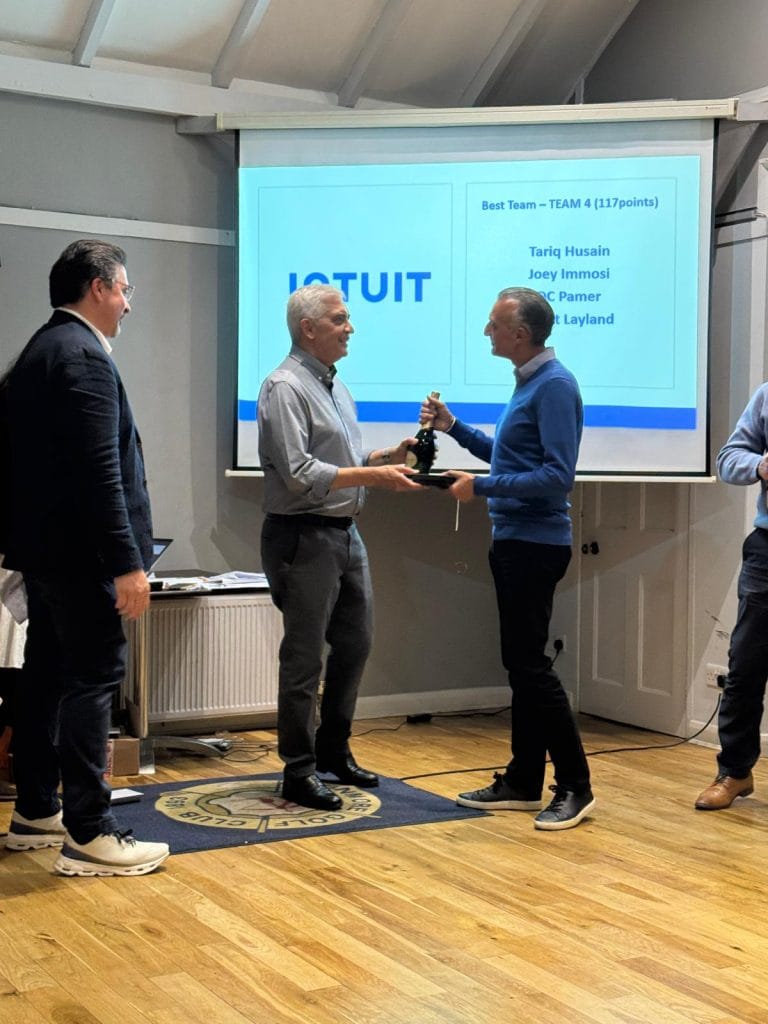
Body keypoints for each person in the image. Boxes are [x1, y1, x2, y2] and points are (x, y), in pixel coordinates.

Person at [2, 239, 169, 875]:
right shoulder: (82, 357)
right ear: (98, 288)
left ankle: (36, 810)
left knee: (46, 674)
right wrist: (128, 565)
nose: (129, 303)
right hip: (84, 558)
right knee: (95, 677)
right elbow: (100, 473)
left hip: (47, 555)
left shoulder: (41, 350)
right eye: (124, 290)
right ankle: (90, 833)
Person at [422, 287, 595, 831]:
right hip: (515, 541)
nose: (486, 332)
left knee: (530, 667)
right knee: (521, 665)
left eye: (494, 325)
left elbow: (555, 477)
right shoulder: (530, 382)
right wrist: (454, 428)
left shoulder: (555, 385)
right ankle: (523, 779)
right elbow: (511, 458)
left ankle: (576, 786)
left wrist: (480, 487)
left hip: (536, 544)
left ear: (520, 334)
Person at [258, 284, 422, 811]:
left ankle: (333, 751)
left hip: (345, 533)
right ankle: (298, 769)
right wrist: (374, 477)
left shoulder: (336, 386)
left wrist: (388, 455)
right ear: (308, 329)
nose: (350, 328)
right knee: (304, 658)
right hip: (302, 534)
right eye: (339, 319)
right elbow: (300, 473)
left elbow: (345, 460)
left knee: (355, 644)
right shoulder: (284, 387)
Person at [695, 385, 768, 810]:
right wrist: (760, 465)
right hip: (766, 549)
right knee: (745, 666)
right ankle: (735, 772)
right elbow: (728, 460)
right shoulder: (767, 396)